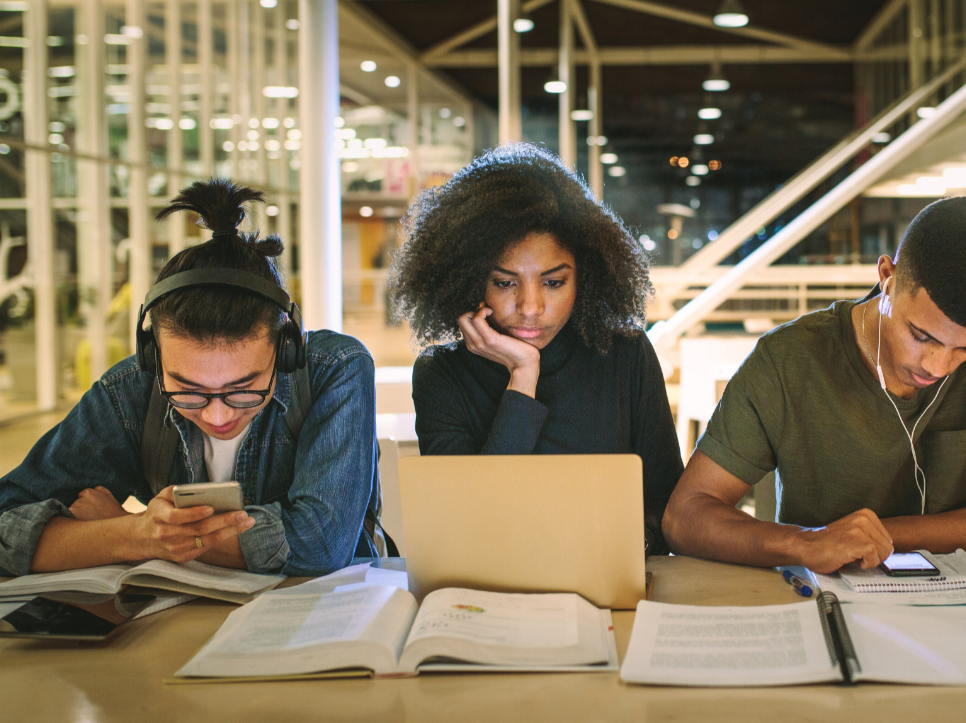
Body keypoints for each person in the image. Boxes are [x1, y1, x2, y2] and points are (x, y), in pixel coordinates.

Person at [663, 196, 966, 573]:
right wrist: (804, 543)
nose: (938, 366)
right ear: (887, 277)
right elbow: (684, 516)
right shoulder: (788, 360)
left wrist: (885, 536)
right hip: (825, 608)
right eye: (921, 335)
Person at [0, 179, 382, 577]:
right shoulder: (129, 391)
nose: (217, 417)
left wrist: (127, 531)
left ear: (286, 349)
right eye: (187, 391)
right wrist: (135, 534)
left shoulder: (335, 369)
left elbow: (322, 545)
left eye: (244, 389)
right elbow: (6, 517)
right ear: (152, 356)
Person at [389, 143, 683, 556]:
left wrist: (625, 545)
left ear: (585, 277)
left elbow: (669, 509)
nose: (530, 308)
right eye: (506, 283)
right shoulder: (442, 375)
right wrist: (523, 374)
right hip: (491, 594)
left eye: (554, 282)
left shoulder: (624, 355)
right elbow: (470, 527)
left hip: (607, 585)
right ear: (471, 280)